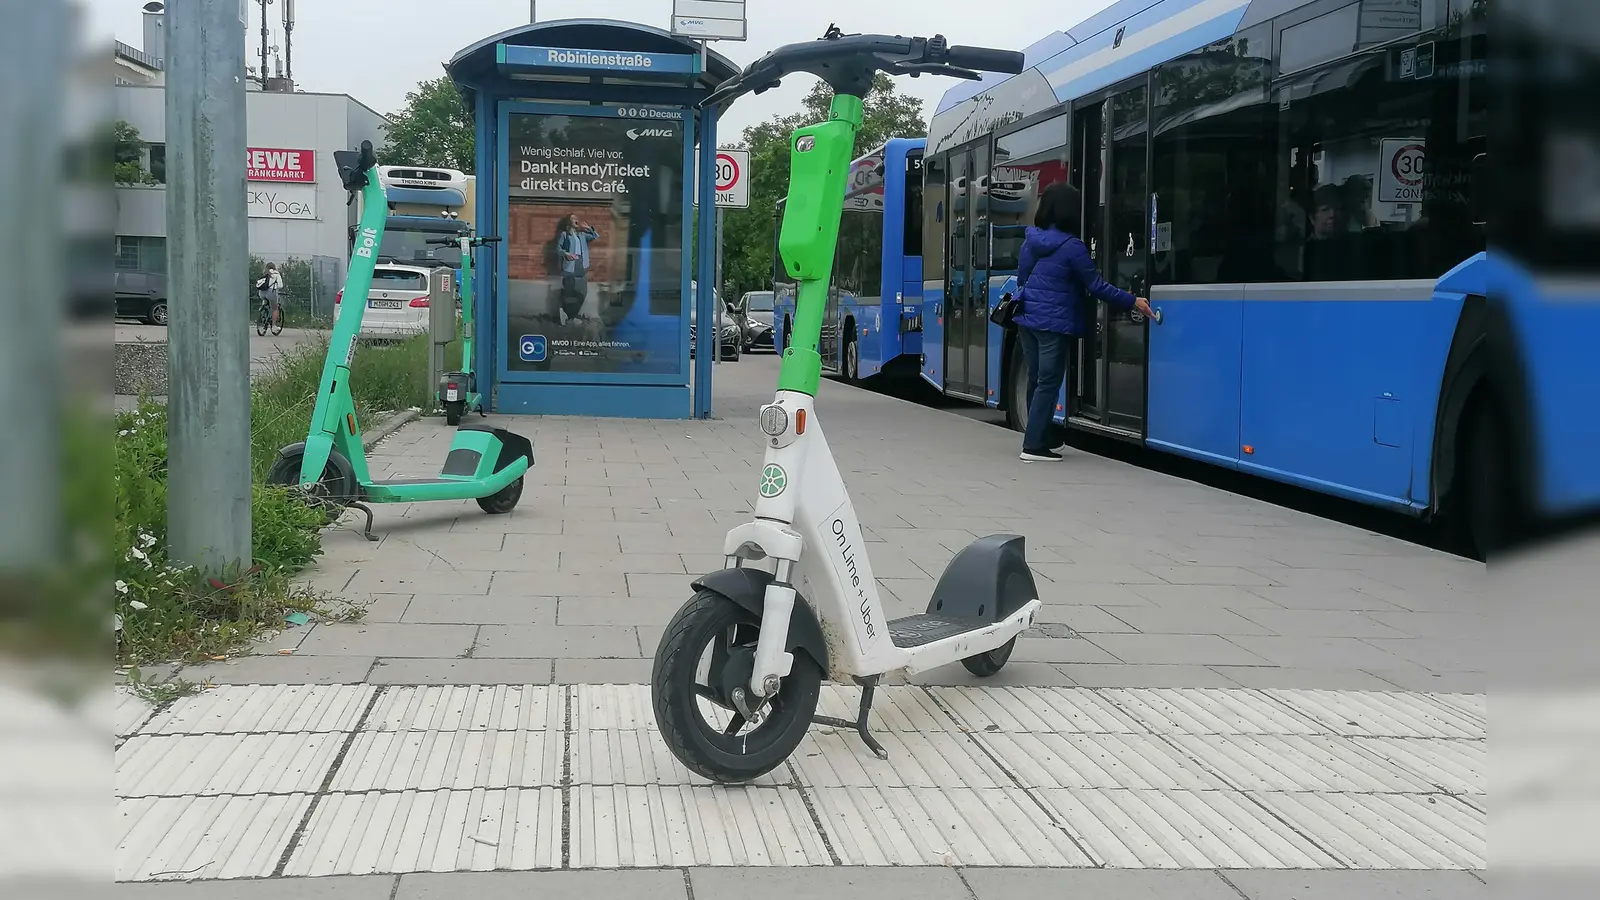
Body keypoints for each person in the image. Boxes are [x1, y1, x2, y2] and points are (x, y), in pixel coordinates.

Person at [1012, 182, 1154, 462]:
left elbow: (1021, 280)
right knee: (1049, 382)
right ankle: (1033, 446)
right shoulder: (1072, 246)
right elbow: (1096, 285)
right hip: (1053, 324)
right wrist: (1131, 301)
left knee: (1036, 379)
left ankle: (1041, 436)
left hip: (1026, 319)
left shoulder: (1031, 241)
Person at [556, 214, 599, 323]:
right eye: (573, 218)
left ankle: (572, 314)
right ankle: (567, 315)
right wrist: (566, 254)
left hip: (581, 264)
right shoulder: (565, 235)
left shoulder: (582, 235)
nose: (576, 220)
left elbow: (595, 236)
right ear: (568, 222)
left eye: (576, 218)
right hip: (570, 265)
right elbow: (558, 249)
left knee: (582, 292)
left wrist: (588, 228)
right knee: (568, 291)